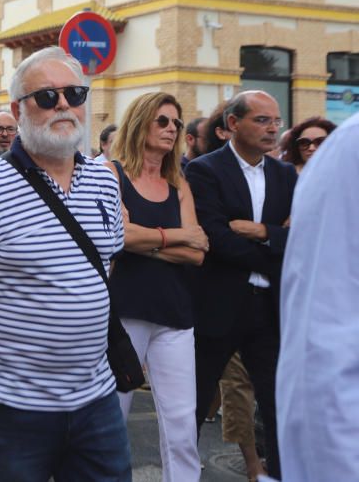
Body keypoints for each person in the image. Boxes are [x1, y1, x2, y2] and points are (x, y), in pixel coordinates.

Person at [0, 46, 129, 481]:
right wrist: (5, 330)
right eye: (47, 96)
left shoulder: (103, 179)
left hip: (96, 399)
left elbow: (105, 266)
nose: (63, 105)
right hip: (11, 404)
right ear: (18, 109)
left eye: (74, 94)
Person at [185, 91, 297, 479]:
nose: (272, 129)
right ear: (233, 124)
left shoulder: (285, 174)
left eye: (276, 121)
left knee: (277, 404)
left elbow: (298, 237)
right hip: (218, 305)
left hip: (268, 308)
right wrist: (273, 245)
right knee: (195, 403)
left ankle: (281, 474)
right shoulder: (204, 170)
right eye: (262, 120)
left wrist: (263, 232)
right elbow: (215, 236)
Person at [104, 92, 207, 481]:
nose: (171, 129)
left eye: (176, 123)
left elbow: (198, 252)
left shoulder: (178, 182)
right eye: (162, 121)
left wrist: (145, 242)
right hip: (124, 311)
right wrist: (174, 237)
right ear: (140, 122)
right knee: (114, 415)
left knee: (181, 422)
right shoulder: (113, 174)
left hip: (174, 312)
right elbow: (117, 236)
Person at [277, 111, 359, 481]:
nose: (311, 149)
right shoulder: (349, 152)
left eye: (317, 142)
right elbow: (322, 341)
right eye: (304, 143)